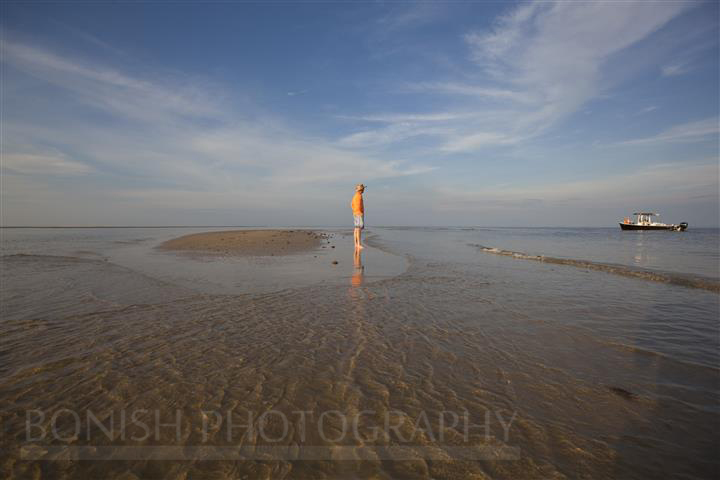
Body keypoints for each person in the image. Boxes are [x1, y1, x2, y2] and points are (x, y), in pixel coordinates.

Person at [351, 184, 365, 250]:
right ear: (361, 190)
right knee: (358, 229)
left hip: (355, 213)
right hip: (358, 213)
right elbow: (360, 205)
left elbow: (351, 204)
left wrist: (354, 211)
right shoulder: (359, 196)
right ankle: (358, 244)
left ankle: (356, 244)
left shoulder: (354, 196)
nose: (363, 190)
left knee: (356, 229)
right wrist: (360, 213)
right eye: (363, 189)